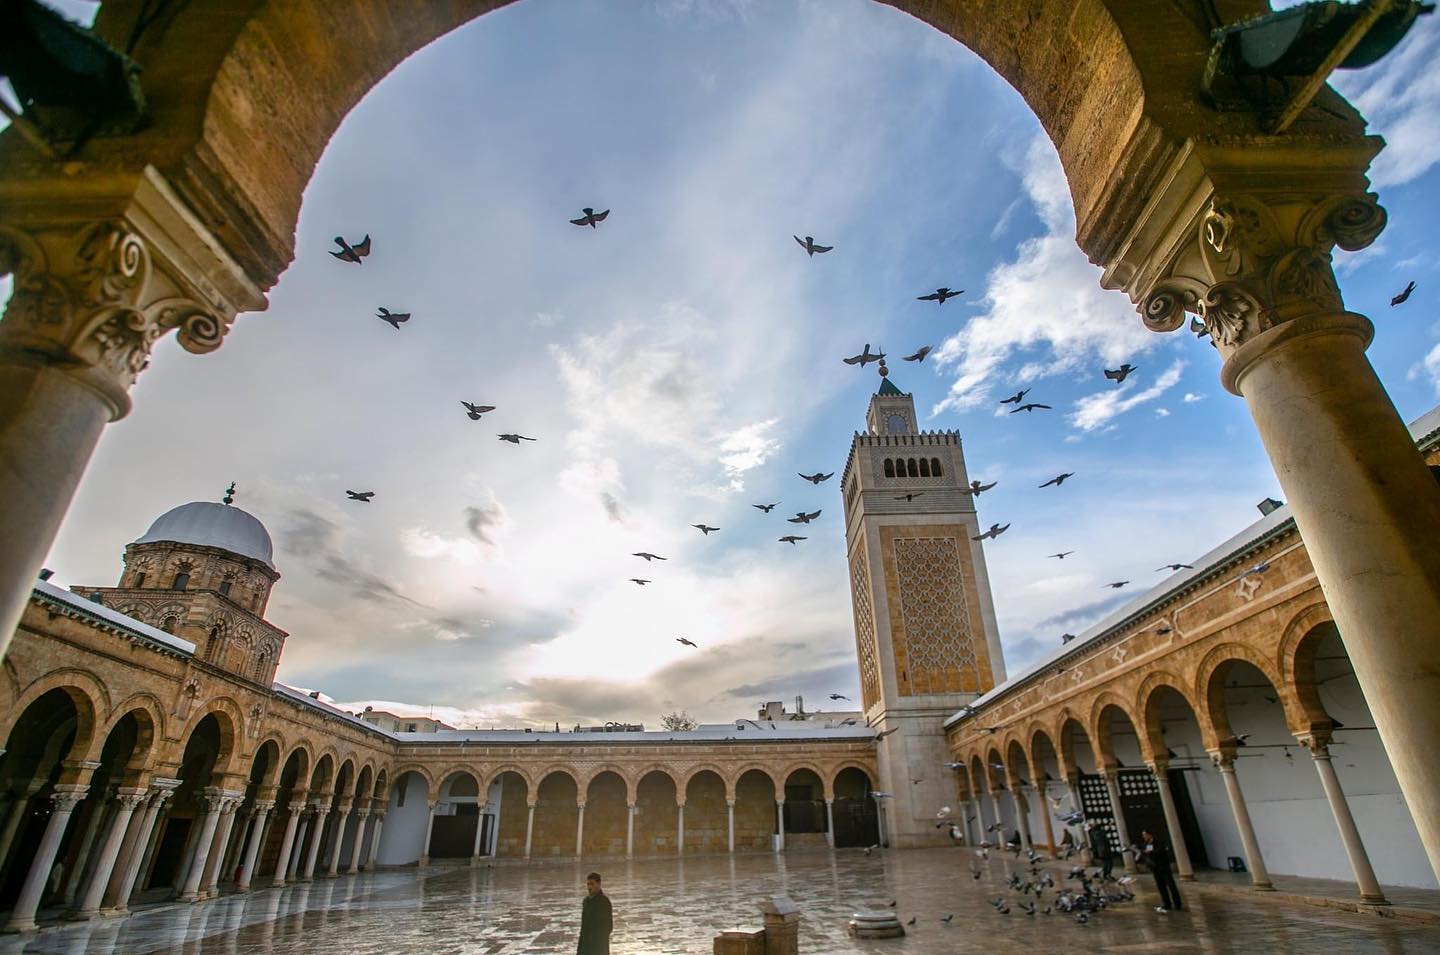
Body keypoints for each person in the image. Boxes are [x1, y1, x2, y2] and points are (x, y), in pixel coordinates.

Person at [1139, 829, 1183, 912]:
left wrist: (1151, 852)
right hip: (1155, 868)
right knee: (1161, 887)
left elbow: (1161, 852)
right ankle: (1167, 904)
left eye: (1145, 835)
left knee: (1171, 885)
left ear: (1150, 835)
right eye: (1143, 835)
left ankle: (1177, 904)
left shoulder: (1158, 842)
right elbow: (1147, 854)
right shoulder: (1146, 844)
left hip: (1164, 867)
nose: (1143, 837)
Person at [578, 871, 613, 955]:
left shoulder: (604, 901)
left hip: (599, 947)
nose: (589, 887)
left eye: (592, 884)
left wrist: (598, 942)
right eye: (588, 884)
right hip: (586, 946)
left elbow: (608, 926)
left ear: (599, 884)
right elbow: (583, 927)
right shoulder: (586, 901)